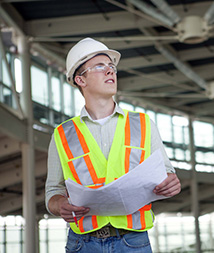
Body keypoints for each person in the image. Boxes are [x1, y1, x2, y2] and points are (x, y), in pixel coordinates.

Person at [45, 37, 181, 252]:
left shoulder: (143, 124)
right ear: (81, 80)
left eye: (112, 67)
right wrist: (59, 205)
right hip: (83, 243)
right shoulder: (62, 134)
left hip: (133, 241)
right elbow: (53, 191)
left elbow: (166, 172)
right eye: (100, 66)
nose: (110, 71)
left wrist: (171, 182)